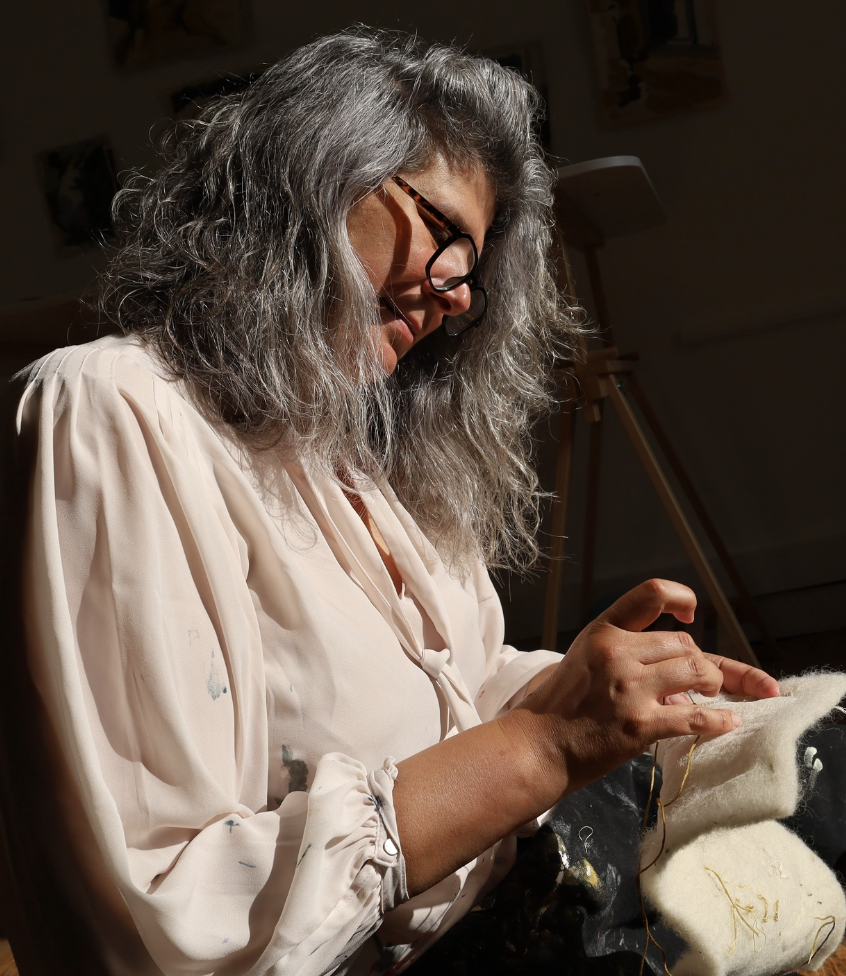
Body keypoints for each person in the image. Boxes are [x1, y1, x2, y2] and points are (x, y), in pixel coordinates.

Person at [10, 28, 779, 976]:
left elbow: (445, 703)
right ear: (314, 172)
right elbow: (162, 917)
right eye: (443, 231)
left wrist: (612, 697)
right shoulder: (111, 405)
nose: (457, 296)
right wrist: (541, 745)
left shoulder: (350, 456)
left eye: (473, 272)